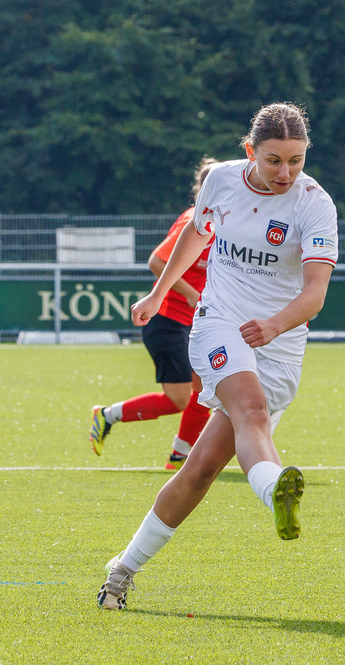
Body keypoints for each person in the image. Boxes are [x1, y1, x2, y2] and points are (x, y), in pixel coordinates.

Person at [97, 102, 338, 610]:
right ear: (249, 151)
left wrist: (274, 325)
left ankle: (122, 570)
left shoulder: (315, 204)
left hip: (281, 341)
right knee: (251, 410)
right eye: (274, 160)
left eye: (296, 160)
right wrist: (161, 293)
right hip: (218, 322)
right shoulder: (223, 181)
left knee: (202, 466)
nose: (286, 172)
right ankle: (276, 492)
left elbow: (315, 293)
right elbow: (195, 234)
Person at [88, 157, 218, 470]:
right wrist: (189, 294)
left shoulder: (226, 222)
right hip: (169, 322)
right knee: (180, 399)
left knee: (204, 392)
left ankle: (180, 456)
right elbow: (157, 261)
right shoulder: (196, 218)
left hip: (195, 323)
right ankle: (107, 415)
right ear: (205, 188)